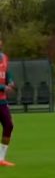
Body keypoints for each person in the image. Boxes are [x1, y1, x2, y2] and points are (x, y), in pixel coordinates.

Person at [0, 39, 15, 167]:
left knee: (9, 125)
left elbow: (7, 72)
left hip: (2, 100)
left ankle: (1, 158)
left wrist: (10, 81)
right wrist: (3, 87)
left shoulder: (4, 57)